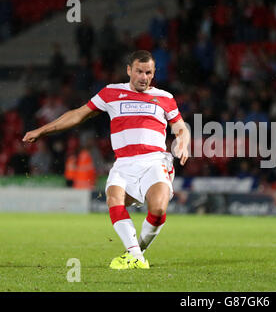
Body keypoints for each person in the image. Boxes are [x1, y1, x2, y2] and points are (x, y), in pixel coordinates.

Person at [23, 50, 190, 270]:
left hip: (154, 160)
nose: (143, 77)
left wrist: (183, 142)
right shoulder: (111, 93)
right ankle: (135, 256)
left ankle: (136, 252)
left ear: (153, 72)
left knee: (158, 210)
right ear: (129, 70)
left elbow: (180, 127)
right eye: (139, 71)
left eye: (148, 72)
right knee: (114, 198)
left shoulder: (165, 97)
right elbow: (78, 114)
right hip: (123, 163)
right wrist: (43, 130)